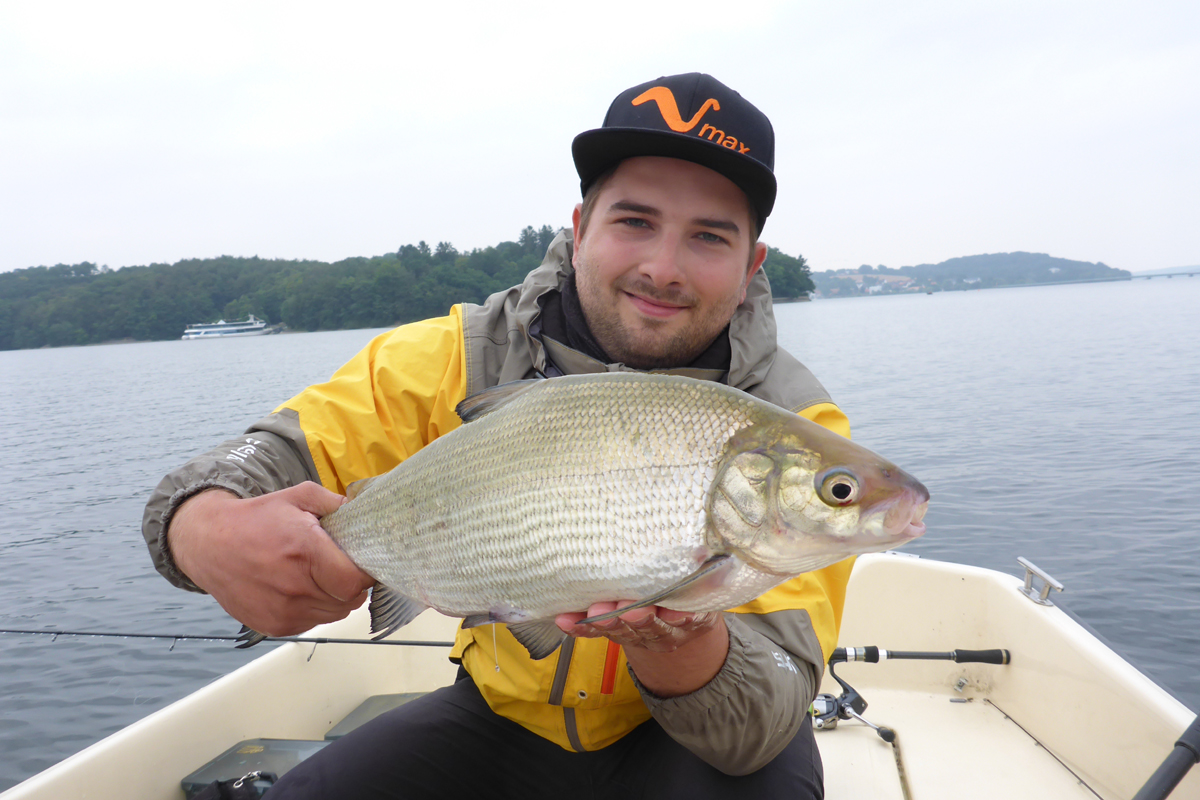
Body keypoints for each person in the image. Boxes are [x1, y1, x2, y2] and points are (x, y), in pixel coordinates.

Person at [142, 72, 853, 798]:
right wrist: (205, 531)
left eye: (709, 236)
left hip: (692, 745)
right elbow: (244, 466)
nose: (661, 268)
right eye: (634, 221)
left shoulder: (797, 431)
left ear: (750, 265)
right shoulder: (454, 355)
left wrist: (682, 639)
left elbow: (758, 726)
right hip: (500, 717)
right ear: (580, 231)